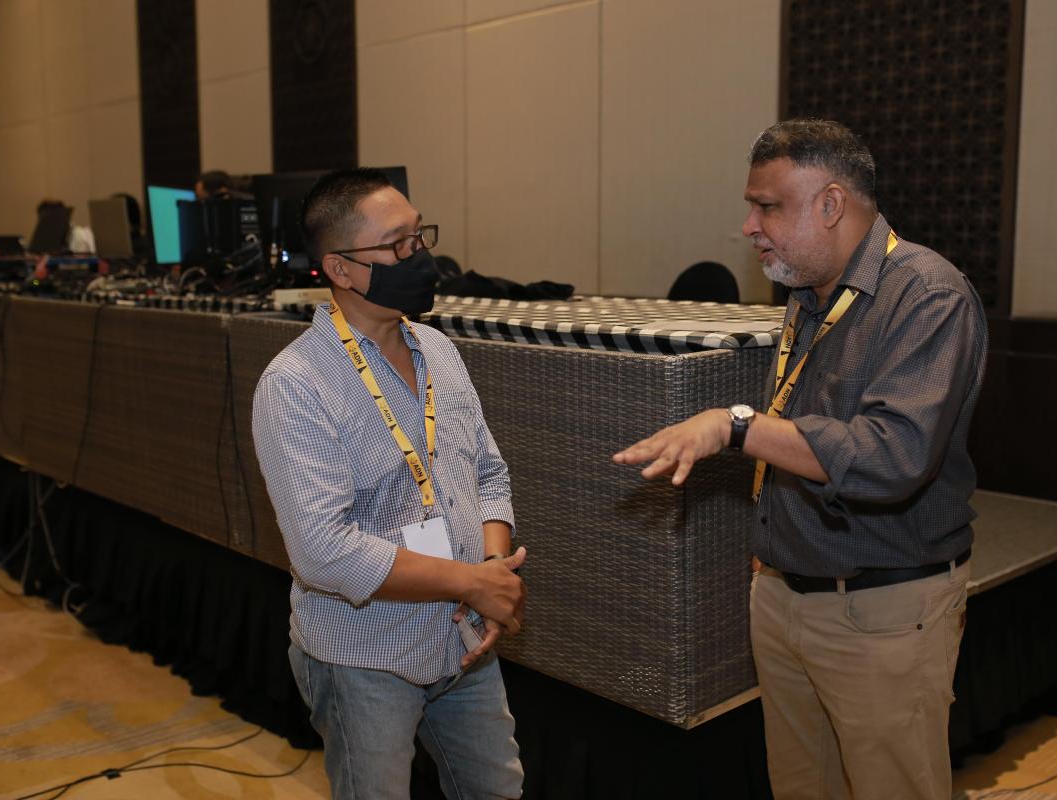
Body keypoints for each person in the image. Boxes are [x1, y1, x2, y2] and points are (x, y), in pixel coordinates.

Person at [614, 119, 988, 800]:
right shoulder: (808, 290)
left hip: (881, 609)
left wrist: (735, 427)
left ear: (832, 204)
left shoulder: (928, 295)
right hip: (786, 595)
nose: (749, 227)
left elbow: (892, 456)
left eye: (768, 206)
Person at [251, 167, 526, 799]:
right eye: (397, 245)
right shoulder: (295, 385)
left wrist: (489, 570)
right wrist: (472, 583)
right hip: (364, 654)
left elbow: (487, 471)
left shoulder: (437, 350)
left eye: (419, 236)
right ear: (340, 270)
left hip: (461, 634)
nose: (420, 256)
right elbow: (324, 551)